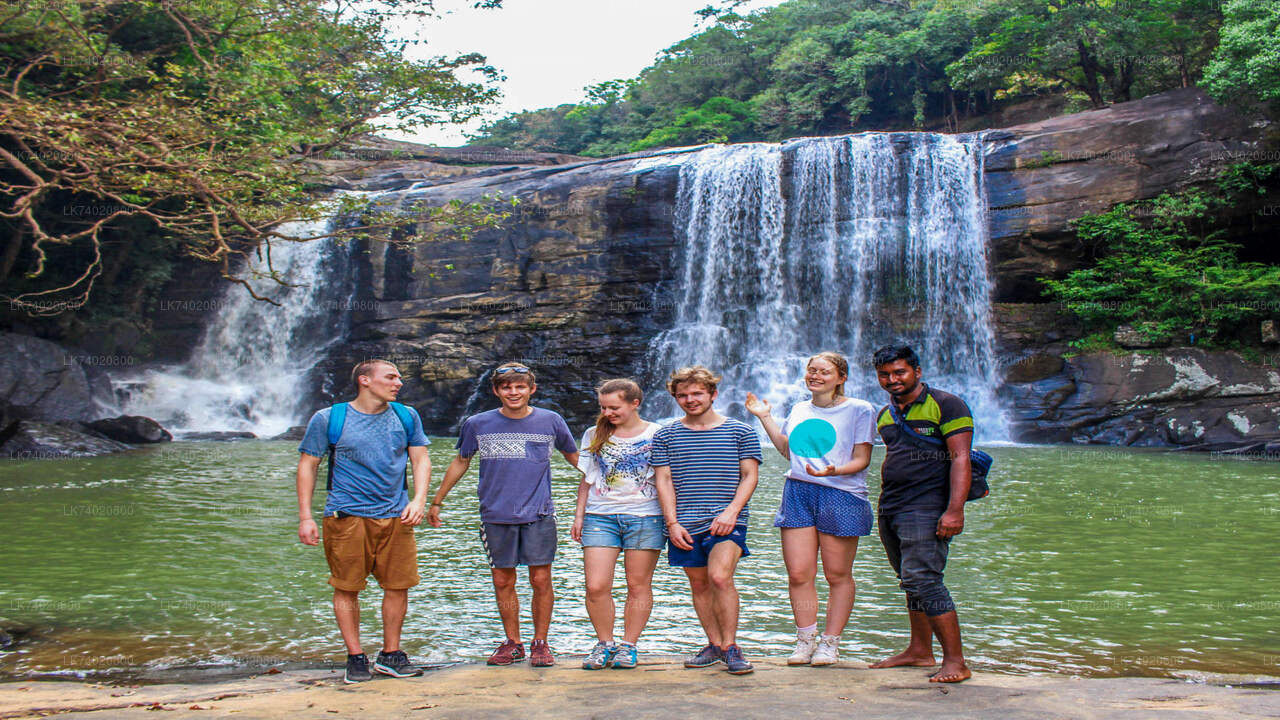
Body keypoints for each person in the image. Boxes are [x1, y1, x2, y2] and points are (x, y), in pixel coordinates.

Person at [427, 362, 578, 668]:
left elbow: (575, 458)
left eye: (520, 386)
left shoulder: (552, 421)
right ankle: (513, 642)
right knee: (502, 580)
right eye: (507, 387)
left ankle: (540, 642)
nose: (514, 392)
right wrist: (437, 501)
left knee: (540, 578)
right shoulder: (477, 424)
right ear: (496, 391)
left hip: (539, 513)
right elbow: (461, 461)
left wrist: (610, 490)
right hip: (495, 514)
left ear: (531, 389)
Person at [296, 359, 431, 684]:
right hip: (346, 517)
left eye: (399, 377)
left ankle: (391, 655)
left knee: (398, 586)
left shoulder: (406, 415)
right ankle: (355, 656)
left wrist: (419, 500)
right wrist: (305, 517)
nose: (398, 382)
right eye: (391, 377)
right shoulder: (329, 418)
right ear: (365, 380)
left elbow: (420, 457)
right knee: (347, 587)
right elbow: (308, 465)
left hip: (397, 516)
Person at [745, 351, 876, 666]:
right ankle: (804, 641)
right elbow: (790, 452)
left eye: (824, 371)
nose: (816, 376)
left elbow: (863, 459)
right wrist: (764, 417)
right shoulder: (800, 408)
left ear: (841, 377)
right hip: (799, 491)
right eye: (812, 370)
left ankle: (830, 644)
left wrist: (836, 471)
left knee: (837, 574)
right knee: (799, 573)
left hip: (842, 494)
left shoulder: (860, 409)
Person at [868, 344, 974, 683]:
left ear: (917, 371)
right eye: (884, 374)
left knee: (925, 580)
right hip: (892, 505)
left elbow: (961, 458)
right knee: (910, 581)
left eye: (899, 372)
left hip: (927, 505)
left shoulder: (946, 404)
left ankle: (956, 661)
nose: (892, 379)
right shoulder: (885, 414)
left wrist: (954, 510)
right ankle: (919, 650)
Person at [652, 366, 763, 675]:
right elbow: (664, 481)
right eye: (683, 395)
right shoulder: (666, 434)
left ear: (713, 394)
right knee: (699, 583)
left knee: (719, 577)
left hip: (728, 520)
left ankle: (731, 646)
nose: (690, 399)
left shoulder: (741, 430)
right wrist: (672, 523)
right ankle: (713, 644)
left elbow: (750, 475)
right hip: (684, 522)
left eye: (697, 393)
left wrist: (732, 512)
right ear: (675, 398)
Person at [570, 378, 664, 670]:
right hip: (600, 516)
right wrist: (579, 515)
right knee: (596, 585)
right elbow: (587, 478)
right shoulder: (592, 434)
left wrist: (672, 521)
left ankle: (629, 645)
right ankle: (604, 643)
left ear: (635, 403)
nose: (608, 413)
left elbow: (665, 478)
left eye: (614, 407)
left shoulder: (658, 433)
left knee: (638, 585)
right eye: (603, 407)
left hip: (646, 516)